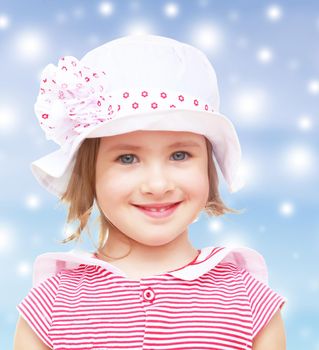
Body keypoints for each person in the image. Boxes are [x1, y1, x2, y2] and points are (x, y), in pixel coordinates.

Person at [14, 34, 287, 350]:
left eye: (180, 155)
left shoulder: (250, 302)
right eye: (127, 158)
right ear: (89, 175)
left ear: (209, 169)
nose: (157, 185)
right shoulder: (50, 308)